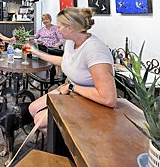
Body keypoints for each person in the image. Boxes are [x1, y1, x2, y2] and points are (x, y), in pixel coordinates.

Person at [28, 7, 117, 135]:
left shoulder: (95, 51)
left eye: (59, 27)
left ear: (70, 28)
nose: (57, 30)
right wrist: (36, 52)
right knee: (33, 108)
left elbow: (109, 99)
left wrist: (71, 87)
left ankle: (68, 147)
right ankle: (57, 142)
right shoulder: (71, 42)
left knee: (40, 120)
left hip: (91, 100)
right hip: (73, 91)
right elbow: (65, 62)